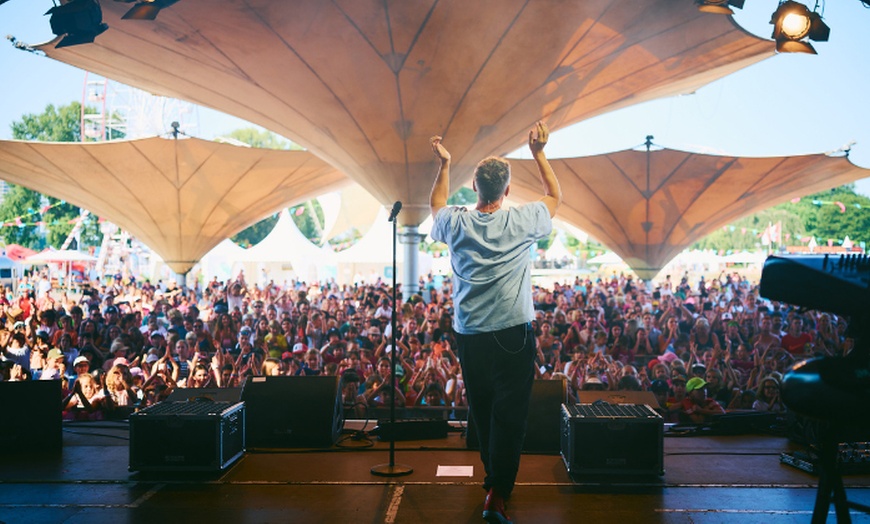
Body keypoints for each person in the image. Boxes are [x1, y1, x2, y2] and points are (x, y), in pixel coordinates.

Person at [429, 120, 561, 524]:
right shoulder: (522, 221)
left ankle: (492, 484)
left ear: (474, 186)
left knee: (483, 411)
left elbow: (435, 204)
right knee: (511, 415)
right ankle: (498, 492)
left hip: (471, 336)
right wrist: (538, 152)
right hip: (513, 335)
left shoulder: (456, 222)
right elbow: (555, 195)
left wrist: (444, 166)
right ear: (506, 191)